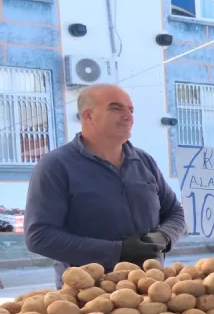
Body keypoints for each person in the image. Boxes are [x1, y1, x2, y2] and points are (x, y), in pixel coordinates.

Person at [25, 84, 185, 287]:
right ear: (88, 116)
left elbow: (175, 212)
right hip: (87, 297)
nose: (128, 116)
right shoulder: (56, 166)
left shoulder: (144, 162)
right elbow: (39, 236)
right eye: (116, 108)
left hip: (150, 291)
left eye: (131, 109)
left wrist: (165, 237)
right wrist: (118, 251)